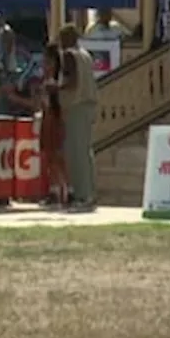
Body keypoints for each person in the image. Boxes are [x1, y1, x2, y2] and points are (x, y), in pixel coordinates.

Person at [58, 24, 100, 211]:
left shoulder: (69, 55)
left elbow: (71, 81)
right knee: (85, 152)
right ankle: (90, 193)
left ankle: (83, 196)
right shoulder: (85, 54)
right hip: (89, 104)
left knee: (75, 154)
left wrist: (55, 87)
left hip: (75, 105)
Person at [38, 44, 69, 207]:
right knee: (48, 157)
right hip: (46, 118)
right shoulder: (46, 82)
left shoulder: (55, 84)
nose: (45, 65)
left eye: (48, 62)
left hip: (53, 119)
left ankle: (63, 190)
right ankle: (54, 190)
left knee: (56, 156)